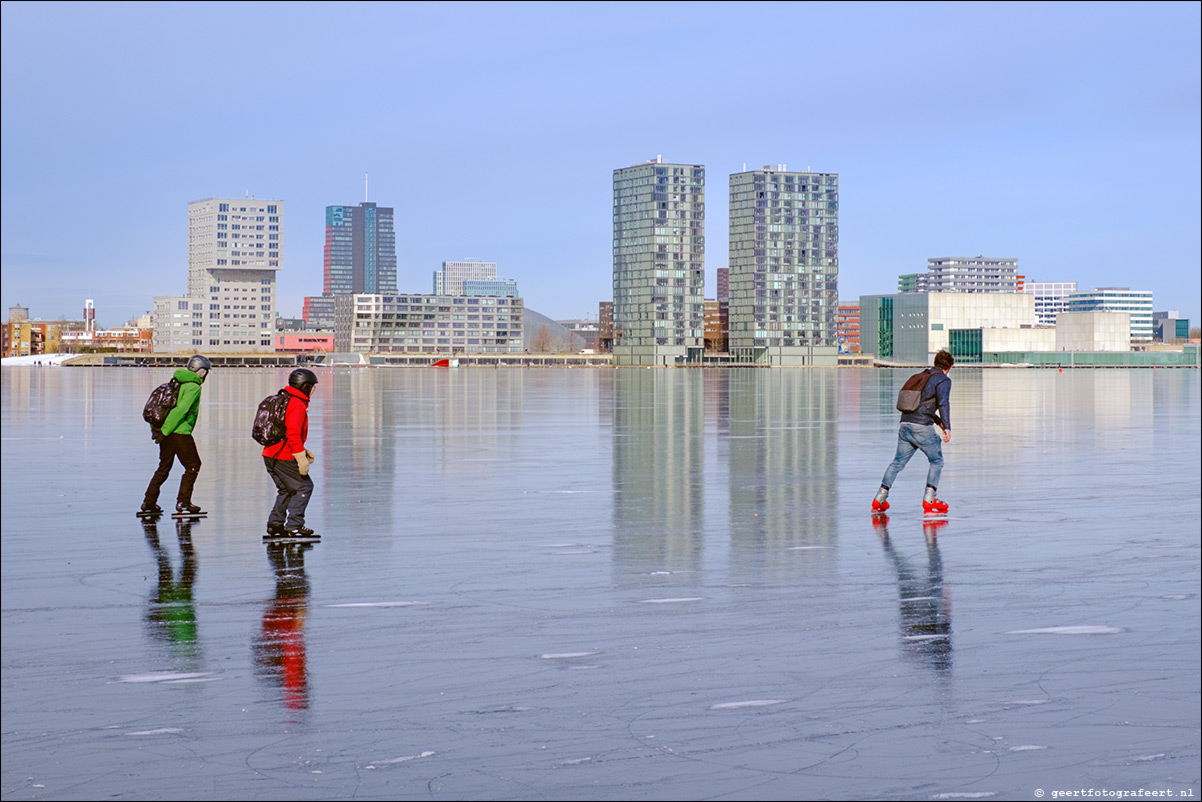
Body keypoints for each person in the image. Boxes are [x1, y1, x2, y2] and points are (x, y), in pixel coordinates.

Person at [872, 349, 954, 514]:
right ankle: (930, 500)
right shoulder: (943, 380)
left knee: (897, 463)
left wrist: (938, 423)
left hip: (905, 424)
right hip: (921, 427)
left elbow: (923, 405)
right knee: (937, 461)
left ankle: (879, 499)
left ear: (935, 363)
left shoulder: (922, 377)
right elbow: (943, 403)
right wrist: (947, 426)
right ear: (949, 367)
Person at [141, 355, 211, 515]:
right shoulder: (193, 387)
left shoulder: (178, 381)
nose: (206, 375)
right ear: (200, 372)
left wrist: (160, 431)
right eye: (205, 371)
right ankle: (183, 502)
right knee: (193, 466)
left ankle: (148, 502)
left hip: (168, 431)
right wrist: (165, 431)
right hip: (179, 432)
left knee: (163, 467)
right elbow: (180, 410)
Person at [263, 368, 319, 539]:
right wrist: (300, 457)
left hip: (269, 453)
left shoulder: (284, 399)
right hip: (283, 455)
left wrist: (302, 450)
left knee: (286, 490)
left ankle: (275, 525)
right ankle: (294, 526)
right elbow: (293, 433)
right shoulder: (297, 404)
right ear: (305, 387)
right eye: (312, 387)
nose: (314, 391)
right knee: (304, 487)